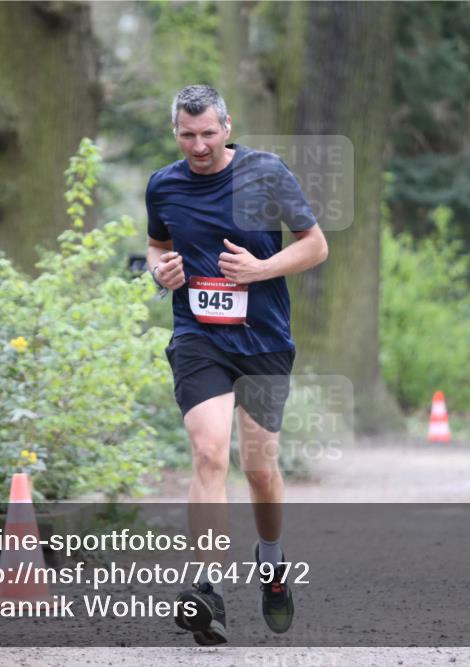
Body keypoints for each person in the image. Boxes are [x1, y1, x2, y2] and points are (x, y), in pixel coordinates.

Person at [145, 84, 328, 645]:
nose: (198, 146)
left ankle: (270, 564)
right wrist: (161, 272)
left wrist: (261, 268)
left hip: (264, 339)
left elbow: (315, 245)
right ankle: (207, 589)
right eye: (187, 134)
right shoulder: (164, 185)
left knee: (258, 469)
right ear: (175, 132)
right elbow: (156, 245)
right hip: (199, 335)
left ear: (227, 126)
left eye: (208, 133)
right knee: (206, 451)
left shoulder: (264, 173)